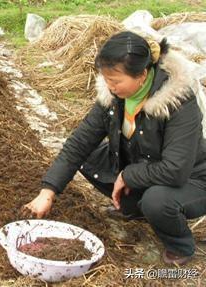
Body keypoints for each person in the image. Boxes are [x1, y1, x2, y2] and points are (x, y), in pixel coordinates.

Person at [23, 31, 206, 265]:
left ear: (142, 74)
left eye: (116, 80)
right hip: (145, 166)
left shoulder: (177, 101)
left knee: (157, 201)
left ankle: (180, 245)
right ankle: (135, 209)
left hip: (191, 179)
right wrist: (47, 191)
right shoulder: (113, 97)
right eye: (106, 79)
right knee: (86, 156)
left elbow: (176, 169)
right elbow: (79, 142)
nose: (110, 87)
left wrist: (128, 175)